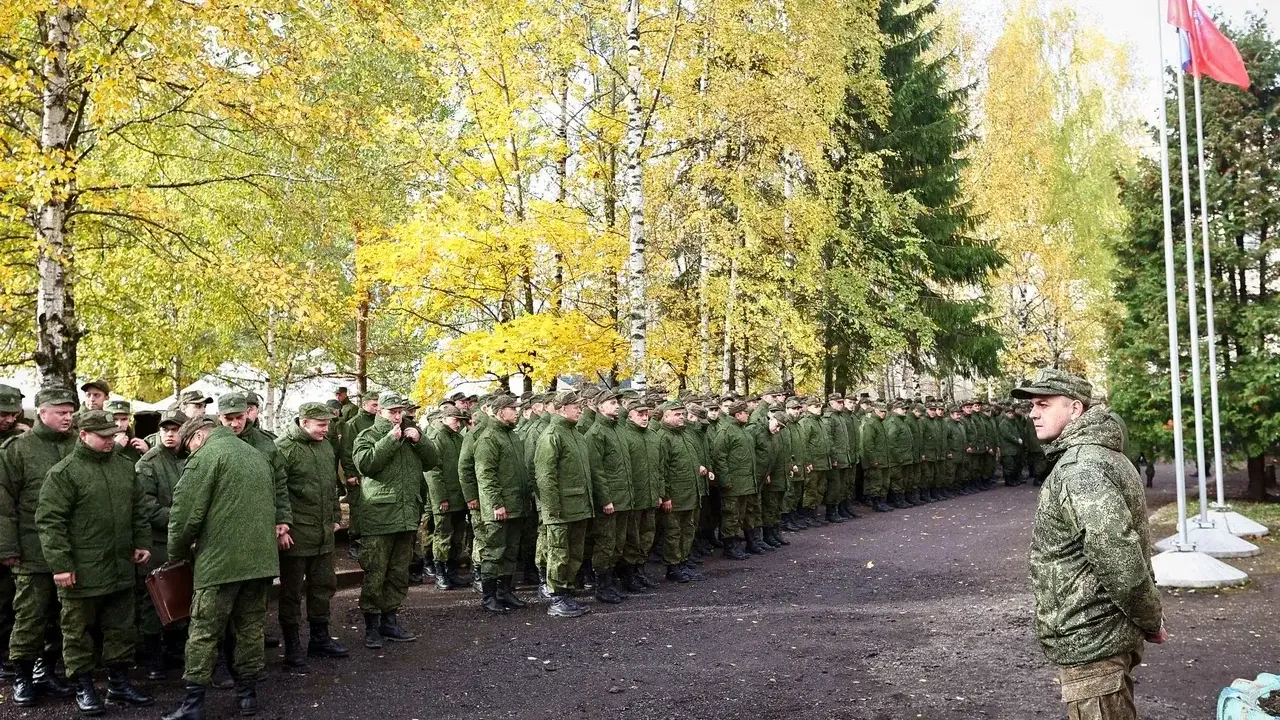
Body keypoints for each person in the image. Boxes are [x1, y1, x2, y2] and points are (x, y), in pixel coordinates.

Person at [1014, 369, 1165, 720]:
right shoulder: (1098, 456)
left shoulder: (1083, 467)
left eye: (1043, 404)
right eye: (1032, 406)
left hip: (1092, 638)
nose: (1033, 413)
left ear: (1076, 409)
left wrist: (1151, 620)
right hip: (1099, 633)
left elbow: (1119, 556)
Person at [162, 415, 281, 720]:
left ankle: (193, 705)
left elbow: (185, 514)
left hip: (219, 563)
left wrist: (176, 554)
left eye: (189, 446)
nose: (190, 452)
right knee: (251, 629)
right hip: (260, 561)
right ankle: (247, 698)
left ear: (199, 437)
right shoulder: (256, 455)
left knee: (203, 631)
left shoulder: (205, 458)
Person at [36, 409, 153, 713]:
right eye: (103, 437)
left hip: (120, 565)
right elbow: (50, 523)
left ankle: (118, 684)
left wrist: (141, 542)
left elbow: (138, 508)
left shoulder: (125, 467)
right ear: (83, 435)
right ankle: (84, 686)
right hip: (83, 571)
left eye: (112, 436)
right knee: (77, 631)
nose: (110, 441)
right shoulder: (64, 473)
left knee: (121, 627)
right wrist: (61, 565)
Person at [1, 386, 78, 707]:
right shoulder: (17, 450)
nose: (67, 417)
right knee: (30, 616)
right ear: (41, 413)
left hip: (72, 552)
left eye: (70, 412)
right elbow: (3, 503)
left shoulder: (78, 445)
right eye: (60, 412)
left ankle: (44, 670)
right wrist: (7, 548)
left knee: (64, 617)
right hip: (31, 551)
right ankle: (21, 676)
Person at [352, 392, 438, 649]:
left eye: (400, 411)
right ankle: (371, 626)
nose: (398, 416)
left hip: (406, 515)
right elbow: (366, 465)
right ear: (379, 412)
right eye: (392, 411)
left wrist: (420, 440)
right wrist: (389, 440)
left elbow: (432, 461)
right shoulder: (367, 436)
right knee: (376, 572)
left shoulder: (413, 433)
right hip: (379, 516)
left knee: (398, 572)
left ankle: (390, 621)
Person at [274, 403, 348, 669]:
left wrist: (336, 517)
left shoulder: (325, 446)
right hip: (295, 534)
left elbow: (330, 486)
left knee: (323, 586)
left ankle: (319, 639)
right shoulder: (284, 448)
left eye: (327, 424)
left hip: (322, 532)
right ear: (304, 423)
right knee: (292, 592)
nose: (326, 429)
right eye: (321, 425)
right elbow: (276, 490)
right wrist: (281, 526)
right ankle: (292, 647)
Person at [135, 408, 189, 680]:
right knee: (153, 600)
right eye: (166, 429)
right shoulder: (149, 462)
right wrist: (180, 519)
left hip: (186, 540)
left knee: (182, 595)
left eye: (176, 429)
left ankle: (176, 649)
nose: (170, 434)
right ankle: (153, 657)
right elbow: (145, 505)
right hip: (158, 541)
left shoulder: (192, 457)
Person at [474, 396, 533, 613]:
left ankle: (504, 591)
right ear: (500, 412)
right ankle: (489, 596)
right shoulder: (489, 438)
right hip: (499, 508)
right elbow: (485, 474)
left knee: (510, 550)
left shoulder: (512, 436)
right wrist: (496, 503)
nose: (516, 412)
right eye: (512, 409)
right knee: (493, 551)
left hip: (516, 505)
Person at [584, 389, 632, 604]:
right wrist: (605, 499)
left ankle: (611, 581)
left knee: (618, 542)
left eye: (617, 403)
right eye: (611, 403)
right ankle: (602, 585)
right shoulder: (596, 433)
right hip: (611, 499)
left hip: (623, 497)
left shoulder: (617, 430)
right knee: (605, 543)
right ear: (600, 407)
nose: (617, 407)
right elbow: (597, 471)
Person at [654, 402, 704, 583]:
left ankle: (683, 561)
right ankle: (673, 566)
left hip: (689, 494)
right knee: (673, 532)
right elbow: (661, 470)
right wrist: (665, 496)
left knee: (687, 530)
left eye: (682, 414)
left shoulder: (684, 435)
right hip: (675, 496)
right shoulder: (663, 438)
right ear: (665, 417)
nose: (681, 417)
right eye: (676, 414)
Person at [425, 405, 470, 590]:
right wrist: (440, 498)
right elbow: (432, 471)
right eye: (455, 420)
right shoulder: (436, 438)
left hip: (459, 497)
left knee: (457, 538)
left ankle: (452, 572)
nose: (458, 424)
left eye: (460, 420)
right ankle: (440, 573)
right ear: (444, 419)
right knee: (443, 535)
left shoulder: (458, 439)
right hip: (445, 499)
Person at [712, 401, 757, 558]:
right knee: (731, 515)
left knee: (740, 515)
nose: (749, 415)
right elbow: (719, 458)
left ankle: (736, 544)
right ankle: (729, 547)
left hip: (744, 482)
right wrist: (725, 481)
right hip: (733, 483)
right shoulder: (726, 431)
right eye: (746, 413)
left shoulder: (742, 430)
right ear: (738, 414)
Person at [338, 393, 378, 561]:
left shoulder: (379, 421)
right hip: (358, 473)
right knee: (357, 508)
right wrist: (350, 473)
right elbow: (347, 450)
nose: (377, 408)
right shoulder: (353, 424)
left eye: (379, 405)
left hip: (374, 473)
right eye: (374, 405)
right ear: (365, 404)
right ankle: (354, 541)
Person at [105, 398, 150, 463]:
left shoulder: (135, 443)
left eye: (124, 419)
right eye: (114, 419)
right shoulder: (96, 441)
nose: (119, 424)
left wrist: (147, 453)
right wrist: (116, 447)